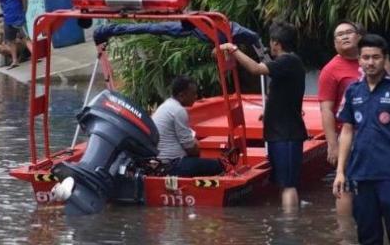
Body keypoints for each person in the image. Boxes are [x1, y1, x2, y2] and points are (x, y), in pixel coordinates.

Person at [333, 34, 390, 245]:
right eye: (365, 57)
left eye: (375, 57)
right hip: (361, 173)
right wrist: (340, 171)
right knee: (367, 239)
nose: (370, 62)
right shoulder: (353, 91)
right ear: (359, 60)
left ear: (385, 59)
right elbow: (346, 131)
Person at [220, 21, 307, 213]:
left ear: (276, 43)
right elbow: (283, 94)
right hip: (280, 133)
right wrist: (268, 112)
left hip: (287, 135)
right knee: (283, 184)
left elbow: (256, 69)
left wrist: (233, 49)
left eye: (272, 42)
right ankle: (286, 227)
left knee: (288, 185)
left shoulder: (288, 61)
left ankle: (290, 231)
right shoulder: (287, 64)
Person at [319, 20, 363, 215]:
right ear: (335, 43)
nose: (344, 36)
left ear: (359, 36)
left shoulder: (373, 59)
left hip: (375, 134)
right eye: (339, 35)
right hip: (347, 136)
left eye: (349, 32)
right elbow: (326, 109)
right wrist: (332, 144)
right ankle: (345, 238)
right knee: (344, 185)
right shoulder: (330, 70)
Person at [152, 75, 224, 177]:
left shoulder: (166, 106)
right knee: (217, 165)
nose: (196, 97)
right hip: (173, 165)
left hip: (162, 163)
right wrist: (197, 147)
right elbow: (191, 149)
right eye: (193, 94)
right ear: (182, 95)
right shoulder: (178, 111)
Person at [0, 0, 30, 69]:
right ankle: (15, 61)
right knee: (11, 40)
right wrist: (4, 14)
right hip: (8, 18)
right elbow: (2, 3)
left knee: (25, 38)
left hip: (19, 17)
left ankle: (34, 55)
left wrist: (24, 11)